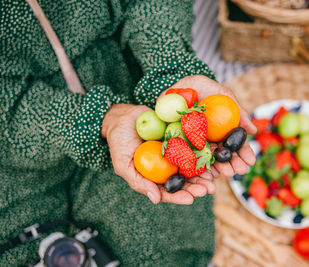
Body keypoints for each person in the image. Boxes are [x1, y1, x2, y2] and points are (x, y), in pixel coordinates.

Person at [0, 0, 256, 266]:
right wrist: (99, 119)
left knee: (172, 249)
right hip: (21, 143)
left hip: (136, 91)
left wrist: (171, 70)